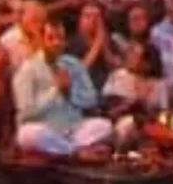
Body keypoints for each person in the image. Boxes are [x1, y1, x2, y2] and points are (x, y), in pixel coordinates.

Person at [12, 19, 116, 158]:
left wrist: (69, 92)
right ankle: (76, 152)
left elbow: (91, 100)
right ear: (41, 41)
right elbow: (26, 112)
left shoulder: (73, 64)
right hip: (42, 127)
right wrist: (56, 90)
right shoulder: (28, 70)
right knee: (28, 134)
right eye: (51, 38)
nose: (56, 43)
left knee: (104, 125)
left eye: (60, 38)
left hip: (72, 128)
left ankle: (65, 148)